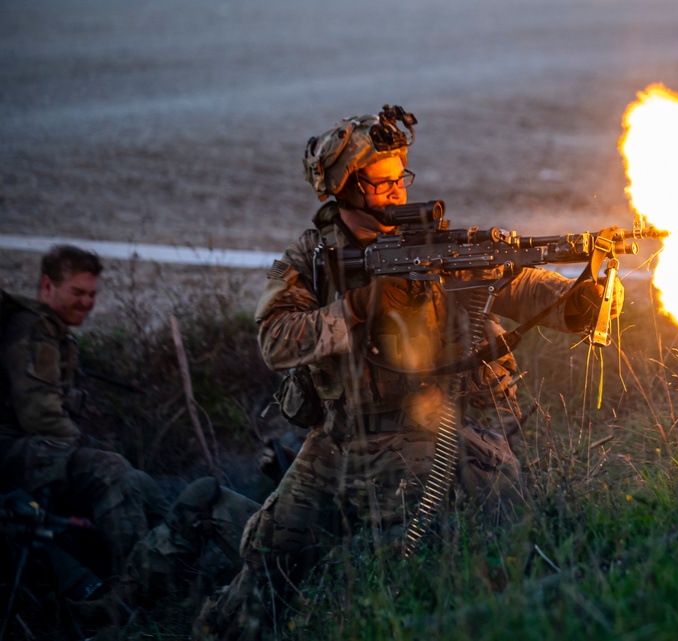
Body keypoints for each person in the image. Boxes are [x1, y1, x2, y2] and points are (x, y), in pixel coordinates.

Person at [195, 105, 624, 639]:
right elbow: (275, 340)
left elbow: (515, 277)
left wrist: (576, 301)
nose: (397, 193)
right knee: (268, 555)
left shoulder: (436, 247)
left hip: (424, 432)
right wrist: (357, 308)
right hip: (338, 442)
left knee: (415, 562)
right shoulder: (311, 260)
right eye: (382, 184)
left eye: (402, 179)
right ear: (344, 188)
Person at [0, 245, 167, 582]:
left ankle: (173, 571)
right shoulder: (34, 330)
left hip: (39, 450)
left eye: (92, 294)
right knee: (110, 469)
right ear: (47, 286)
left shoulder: (56, 334)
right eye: (77, 292)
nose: (87, 303)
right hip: (14, 453)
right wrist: (87, 447)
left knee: (138, 481)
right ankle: (134, 587)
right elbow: (41, 417)